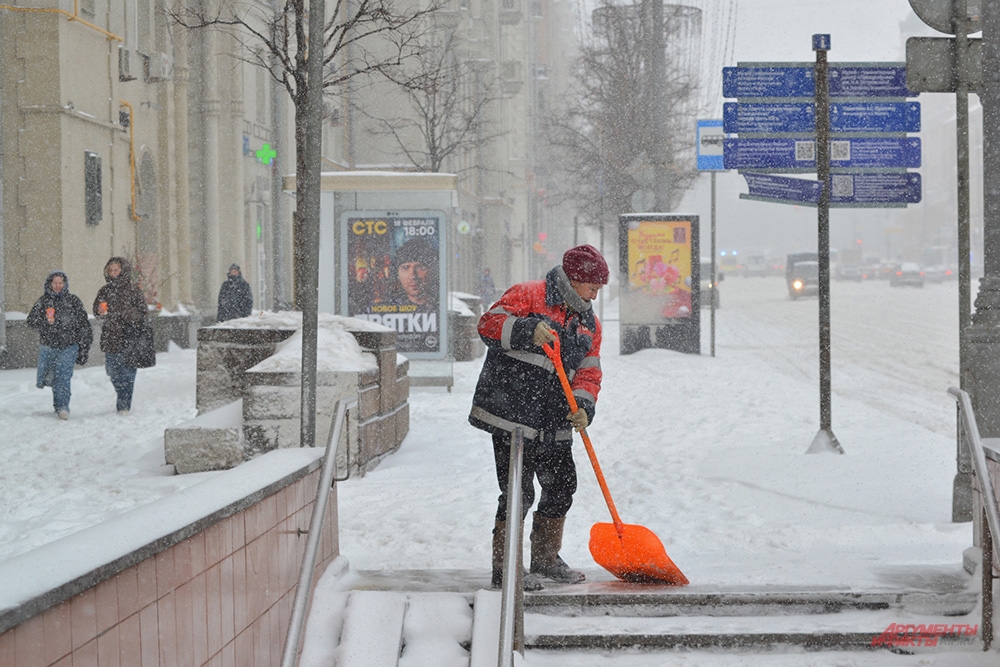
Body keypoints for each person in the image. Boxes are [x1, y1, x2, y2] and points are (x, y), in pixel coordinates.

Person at [469, 244, 608, 589]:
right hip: (512, 413)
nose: (595, 294)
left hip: (554, 419)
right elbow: (488, 325)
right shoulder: (530, 295)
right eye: (592, 286)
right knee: (518, 492)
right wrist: (526, 329)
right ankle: (507, 567)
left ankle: (546, 559)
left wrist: (583, 406)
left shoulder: (589, 324)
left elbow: (589, 371)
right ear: (574, 279)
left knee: (562, 485)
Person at [27, 271, 93, 419]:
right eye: (55, 283)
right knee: (51, 377)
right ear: (49, 284)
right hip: (48, 346)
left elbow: (84, 325)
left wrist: (84, 347)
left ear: (65, 284)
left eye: (60, 283)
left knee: (63, 375)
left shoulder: (73, 301)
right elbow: (31, 320)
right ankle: (58, 405)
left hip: (69, 346)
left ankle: (63, 407)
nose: (58, 286)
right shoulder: (43, 301)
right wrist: (45, 321)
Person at [93, 257, 148, 415]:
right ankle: (122, 394)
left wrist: (129, 314)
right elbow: (96, 309)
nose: (113, 273)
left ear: (123, 271)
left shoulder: (133, 290)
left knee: (127, 373)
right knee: (113, 372)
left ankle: (124, 405)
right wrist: (99, 311)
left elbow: (144, 313)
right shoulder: (104, 290)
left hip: (130, 338)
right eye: (110, 270)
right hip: (110, 337)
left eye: (116, 270)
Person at [392, 239, 438, 310]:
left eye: (420, 267)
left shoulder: (443, 303)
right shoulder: (389, 308)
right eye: (405, 268)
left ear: (431, 271)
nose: (413, 276)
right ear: (397, 274)